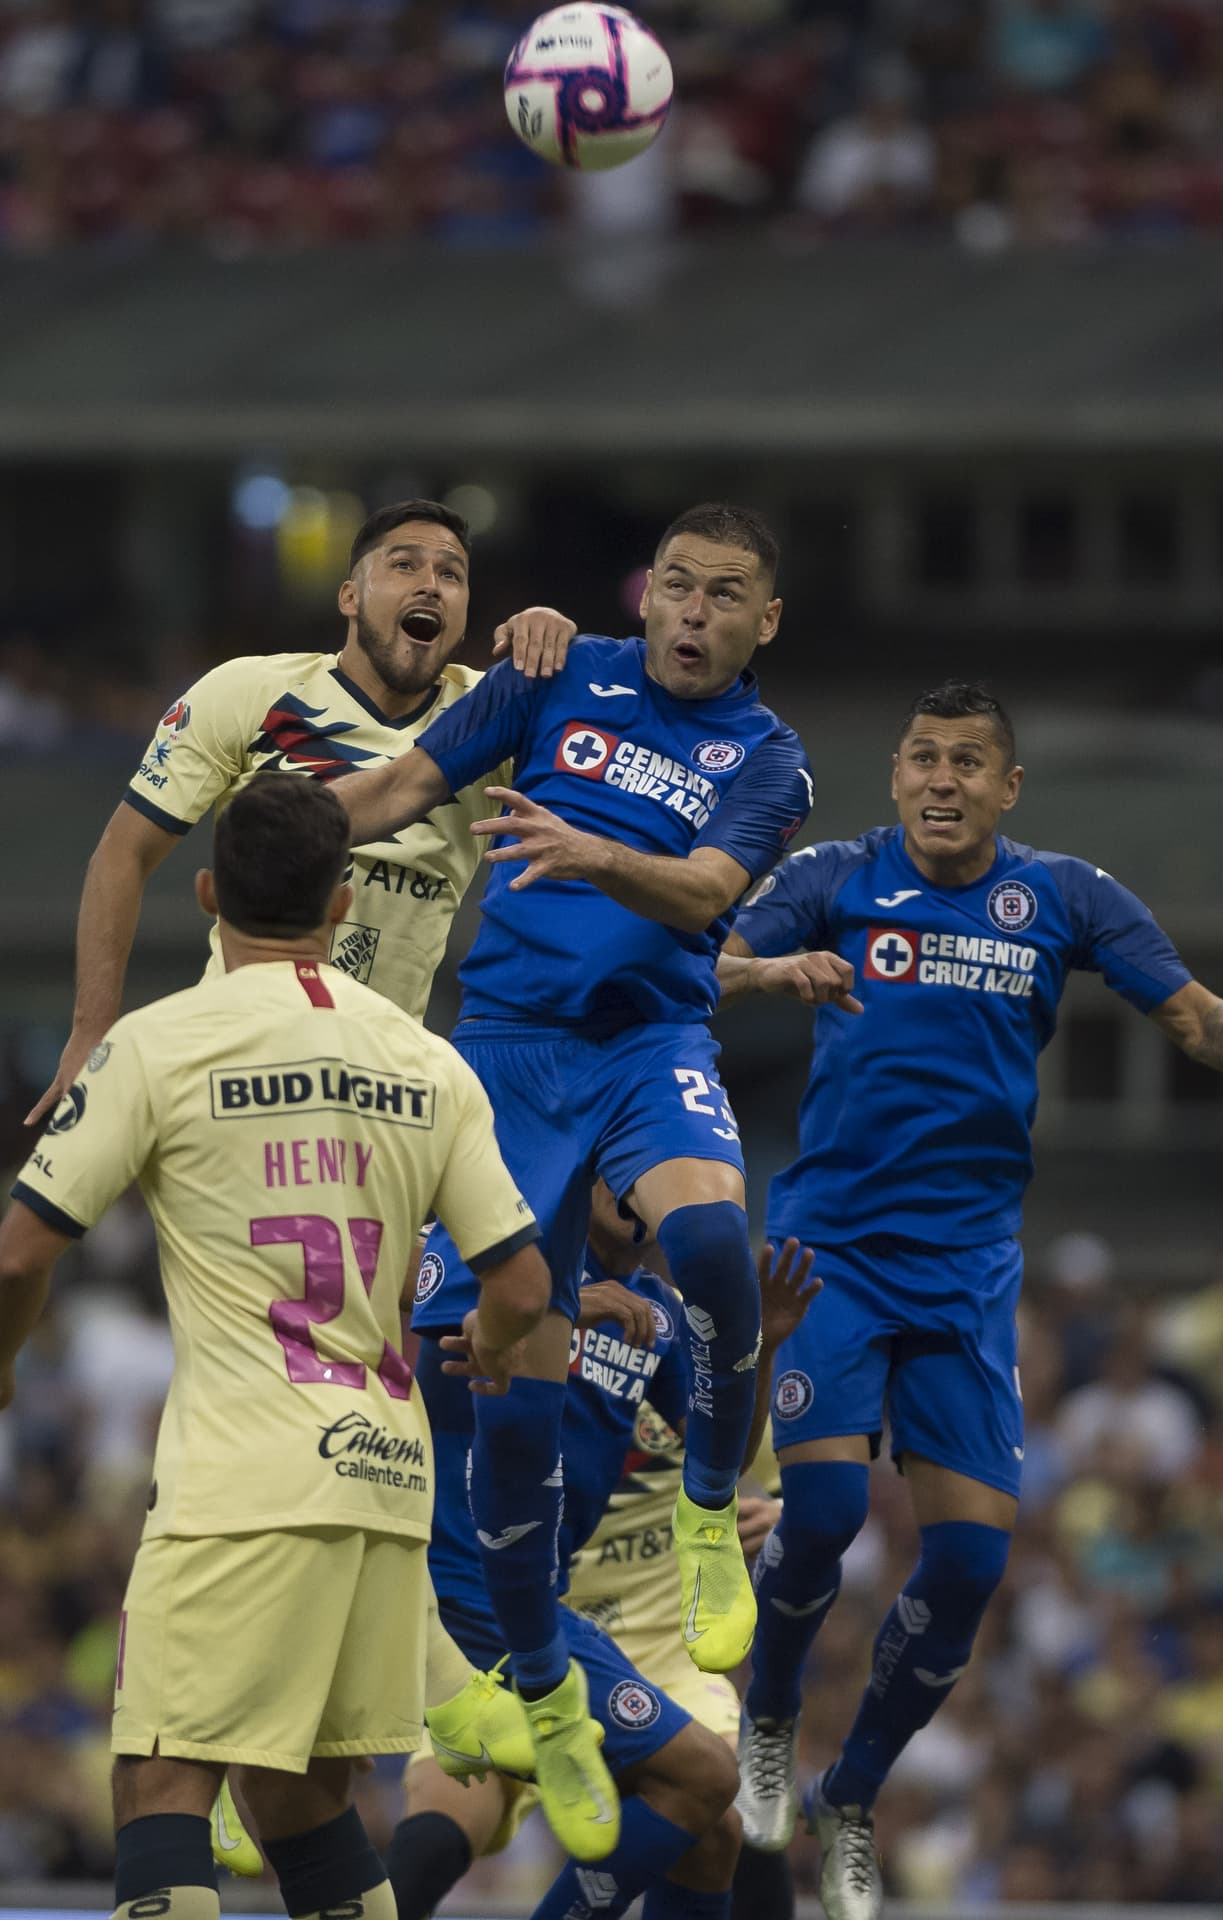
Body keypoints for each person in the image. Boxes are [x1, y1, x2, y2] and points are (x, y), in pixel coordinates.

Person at [716, 679, 1223, 1920]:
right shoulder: (835, 876)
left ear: (1006, 788)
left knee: (968, 1560)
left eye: (966, 762)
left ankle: (850, 1795)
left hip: (966, 1273)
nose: (938, 779)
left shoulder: (1064, 897)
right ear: (897, 776)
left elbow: (1188, 1017)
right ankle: (768, 1716)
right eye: (921, 757)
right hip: (832, 1253)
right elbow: (705, 963)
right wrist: (764, 975)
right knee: (815, 1511)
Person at [0, 774, 551, 1920]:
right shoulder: (426, 1061)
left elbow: (17, 1257)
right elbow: (522, 1283)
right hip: (386, 1485)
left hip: (242, 1479)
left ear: (206, 895)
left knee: (162, 1778)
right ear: (343, 905)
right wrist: (495, 1350)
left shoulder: (162, 1046)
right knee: (298, 1797)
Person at [331, 502, 814, 1798]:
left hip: (647, 1042)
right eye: (677, 589)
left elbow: (710, 893)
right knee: (514, 1402)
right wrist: (272, 842)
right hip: (504, 1056)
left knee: (712, 1239)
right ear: (644, 595)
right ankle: (539, 1684)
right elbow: (396, 788)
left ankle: (710, 1498)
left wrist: (590, 848)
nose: (694, 616)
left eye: (724, 598)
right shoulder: (555, 674)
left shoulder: (771, 756)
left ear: (763, 622)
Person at [26, 497, 577, 1127]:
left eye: (451, 574)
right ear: (349, 596)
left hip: (385, 1082)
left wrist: (564, 645)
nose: (431, 583)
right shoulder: (247, 691)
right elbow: (124, 853)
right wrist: (90, 1032)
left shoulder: (494, 713)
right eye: (405, 564)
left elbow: (623, 790)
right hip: (237, 1061)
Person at [390, 1181, 819, 1919]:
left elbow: (720, 1456)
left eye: (649, 1174)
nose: (635, 1189)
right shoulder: (501, 1255)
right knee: (699, 1783)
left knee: (713, 1816)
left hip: (551, 1609)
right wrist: (555, 1302)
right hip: (471, 1601)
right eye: (616, 1174)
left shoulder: (666, 1316)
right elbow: (443, 1324)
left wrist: (761, 1348)